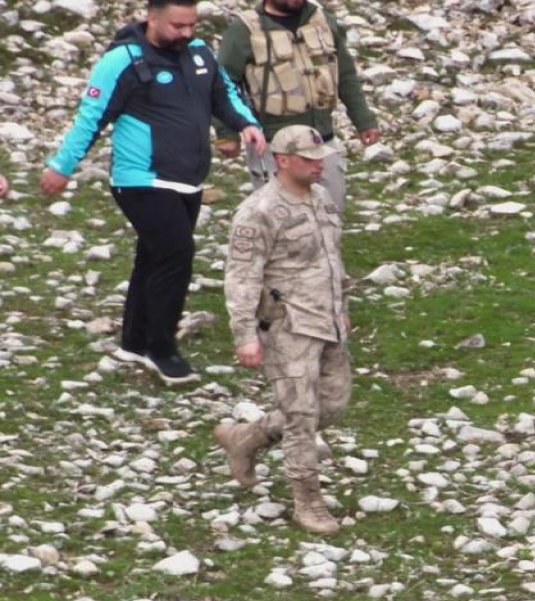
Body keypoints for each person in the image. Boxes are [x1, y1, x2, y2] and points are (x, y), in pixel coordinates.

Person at [41, 0, 265, 385]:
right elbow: (90, 117)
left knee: (153, 256)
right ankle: (162, 350)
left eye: (192, 24)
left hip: (188, 179)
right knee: (176, 255)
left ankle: (133, 340)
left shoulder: (198, 53)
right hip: (140, 178)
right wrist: (62, 166)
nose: (187, 33)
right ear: (152, 18)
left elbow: (223, 93)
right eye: (178, 25)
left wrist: (246, 123)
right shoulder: (122, 60)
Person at [216, 125, 353, 535]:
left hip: (327, 319)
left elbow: (332, 256)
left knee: (333, 403)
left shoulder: (322, 198)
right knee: (300, 415)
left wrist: (342, 305)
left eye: (321, 158)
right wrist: (244, 335)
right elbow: (241, 276)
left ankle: (248, 438)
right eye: (310, 159)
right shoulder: (258, 211)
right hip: (288, 325)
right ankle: (307, 500)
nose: (319, 165)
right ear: (282, 160)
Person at [214, 0, 380, 214]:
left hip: (322, 142)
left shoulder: (323, 21)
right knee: (280, 223)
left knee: (329, 217)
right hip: (274, 148)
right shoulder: (244, 30)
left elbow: (346, 74)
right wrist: (227, 132)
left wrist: (363, 120)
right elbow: (222, 84)